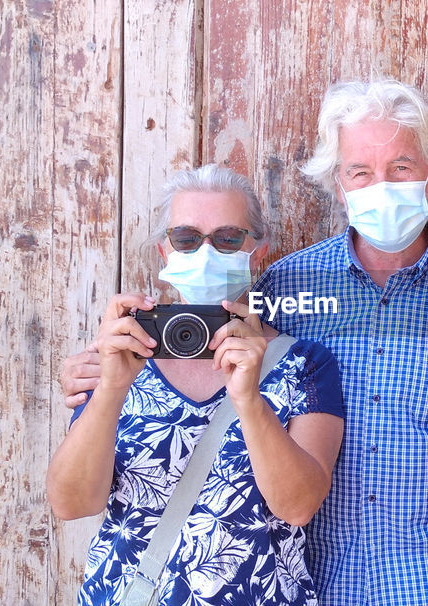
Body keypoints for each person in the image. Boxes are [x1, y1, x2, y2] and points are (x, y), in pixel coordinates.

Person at [60, 79, 428, 605]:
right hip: (311, 579)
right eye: (361, 171)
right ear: (339, 185)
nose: (382, 185)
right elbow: (194, 347)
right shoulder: (283, 285)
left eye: (401, 168)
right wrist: (93, 370)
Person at [46, 165, 345, 605]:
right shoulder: (126, 351)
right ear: (166, 252)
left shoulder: (302, 363)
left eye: (227, 238)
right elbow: (71, 503)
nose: (205, 252)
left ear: (256, 252)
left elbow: (297, 506)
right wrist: (111, 390)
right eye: (187, 238)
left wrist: (248, 400)